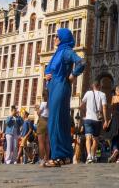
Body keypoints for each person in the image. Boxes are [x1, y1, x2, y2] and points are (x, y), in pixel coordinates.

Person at [43, 27, 85, 167]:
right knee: (59, 122)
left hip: (61, 87)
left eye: (56, 36)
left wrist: (73, 75)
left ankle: (59, 156)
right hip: (54, 88)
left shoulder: (66, 51)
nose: (54, 38)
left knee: (56, 122)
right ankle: (65, 156)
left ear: (62, 38)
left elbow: (81, 62)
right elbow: (49, 69)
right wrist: (47, 75)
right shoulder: (58, 53)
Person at [80, 79, 108, 163]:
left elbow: (81, 105)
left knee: (88, 138)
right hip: (97, 120)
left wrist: (84, 114)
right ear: (99, 86)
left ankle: (89, 156)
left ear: (93, 86)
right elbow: (104, 107)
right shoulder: (103, 94)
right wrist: (106, 120)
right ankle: (92, 155)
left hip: (88, 119)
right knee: (95, 139)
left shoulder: (88, 93)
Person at [36, 90, 50, 164]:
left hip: (42, 121)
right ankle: (47, 159)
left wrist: (37, 109)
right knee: (47, 142)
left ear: (43, 96)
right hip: (48, 122)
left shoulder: (43, 103)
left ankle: (41, 159)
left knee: (41, 142)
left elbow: (39, 113)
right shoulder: (50, 103)